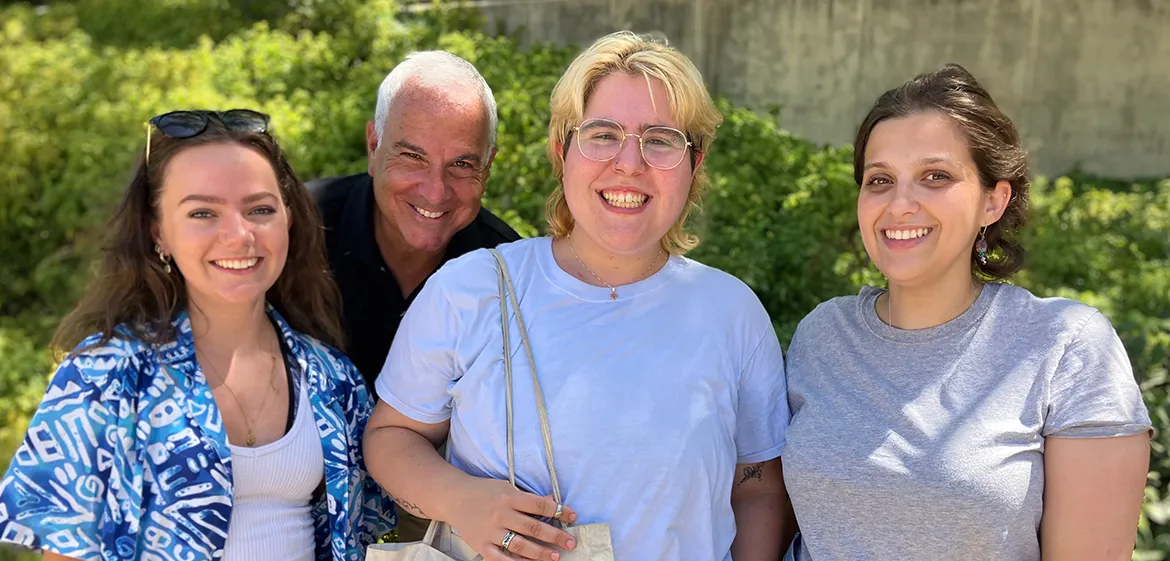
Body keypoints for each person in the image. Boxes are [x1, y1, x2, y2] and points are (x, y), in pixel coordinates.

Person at [363, 31, 793, 561]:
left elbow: (757, 489)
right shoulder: (472, 289)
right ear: (562, 151)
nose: (629, 163)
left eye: (660, 139)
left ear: (694, 165)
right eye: (603, 134)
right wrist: (458, 499)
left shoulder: (732, 314)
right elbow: (390, 438)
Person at [781, 64, 1152, 560]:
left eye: (936, 176)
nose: (900, 204)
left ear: (993, 202)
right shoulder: (823, 334)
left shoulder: (1065, 345)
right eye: (879, 179)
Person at [0, 110, 393, 561]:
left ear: (288, 218)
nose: (238, 235)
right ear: (157, 232)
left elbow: (373, 530)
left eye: (260, 209)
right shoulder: (104, 375)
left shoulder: (332, 378)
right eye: (203, 212)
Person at [307, 51, 521, 387]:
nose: (436, 192)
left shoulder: (509, 278)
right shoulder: (296, 231)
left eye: (462, 165)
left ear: (488, 166)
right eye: (412, 157)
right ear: (374, 147)